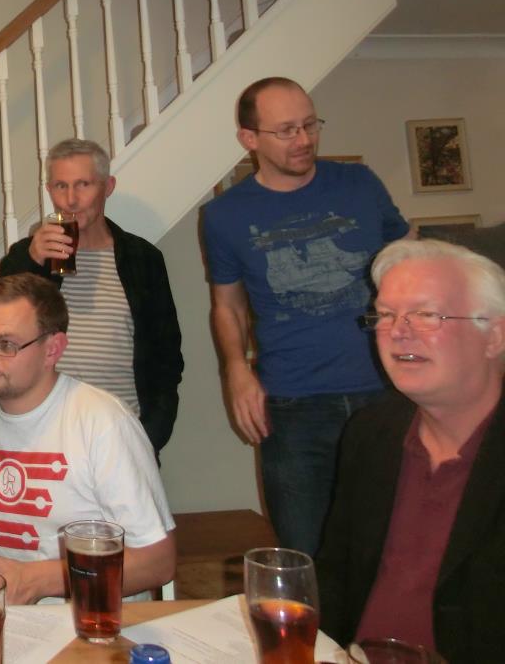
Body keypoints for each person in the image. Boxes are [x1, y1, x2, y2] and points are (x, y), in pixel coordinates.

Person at [202, 77, 410, 555]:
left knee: (395, 549)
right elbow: (227, 304)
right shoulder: (224, 216)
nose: (304, 139)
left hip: (385, 389)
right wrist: (236, 370)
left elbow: (409, 257)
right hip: (294, 406)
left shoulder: (359, 183)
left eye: (310, 125)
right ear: (249, 138)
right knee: (306, 555)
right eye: (286, 130)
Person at [0, 273, 176, 604]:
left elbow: (158, 562)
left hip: (88, 620)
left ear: (52, 349)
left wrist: (38, 580)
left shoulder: (103, 422)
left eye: (6, 345)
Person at [317, 239, 505, 662]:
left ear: (494, 335)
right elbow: (334, 577)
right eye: (385, 315)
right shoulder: (371, 433)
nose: (398, 331)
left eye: (426, 314)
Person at [0, 138, 184, 455]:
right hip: (40, 434)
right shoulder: (26, 256)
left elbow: (167, 356)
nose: (71, 199)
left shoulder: (143, 258)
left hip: (122, 434)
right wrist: (31, 261)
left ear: (107, 186)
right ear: (49, 190)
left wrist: (151, 434)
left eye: (83, 184)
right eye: (61, 186)